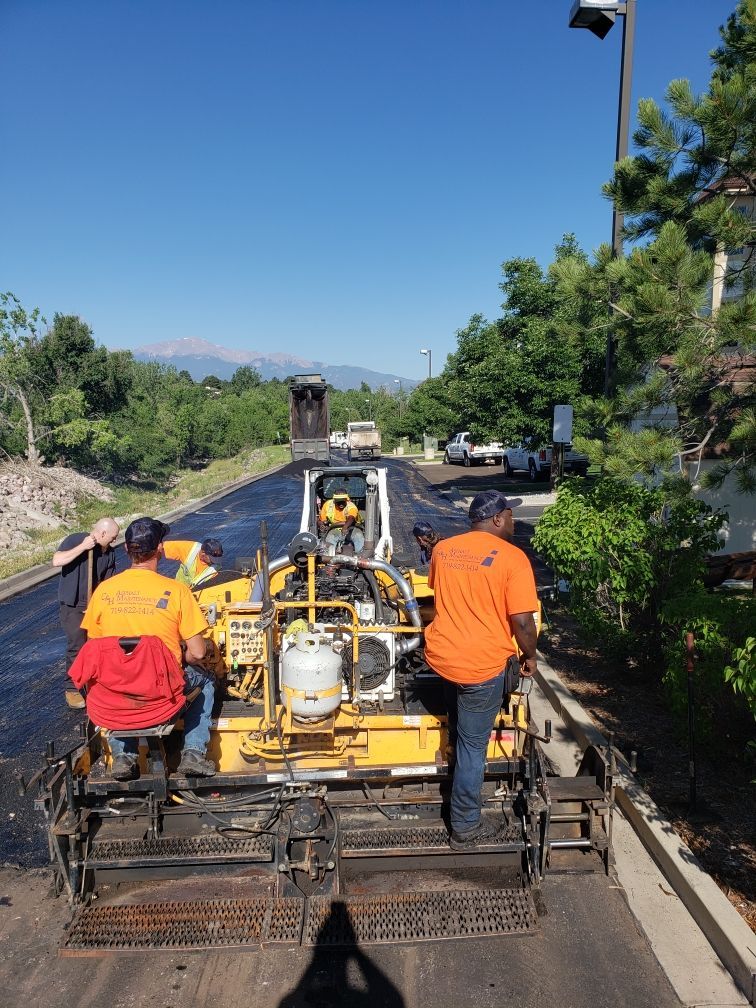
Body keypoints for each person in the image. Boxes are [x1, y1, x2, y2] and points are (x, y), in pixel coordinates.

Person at [424, 490, 539, 851]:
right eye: (511, 514)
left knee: (460, 729)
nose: (514, 521)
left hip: (444, 658)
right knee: (474, 747)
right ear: (497, 519)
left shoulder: (443, 550)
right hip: (480, 667)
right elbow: (522, 621)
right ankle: (465, 826)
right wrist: (530, 655)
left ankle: (457, 770)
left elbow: (437, 594)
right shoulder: (513, 559)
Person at [75, 517, 218, 781]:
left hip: (115, 692)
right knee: (207, 681)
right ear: (160, 549)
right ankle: (193, 753)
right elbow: (197, 653)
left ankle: (123, 757)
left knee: (114, 677)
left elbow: (94, 648)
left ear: (128, 550)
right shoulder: (176, 592)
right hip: (160, 693)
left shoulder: (103, 591)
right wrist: (182, 656)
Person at [52, 518, 120, 703]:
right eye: (113, 537)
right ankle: (72, 688)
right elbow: (57, 560)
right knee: (77, 645)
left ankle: (97, 683)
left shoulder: (110, 553)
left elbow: (108, 582)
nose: (115, 540)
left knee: (102, 645)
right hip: (73, 605)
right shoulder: (77, 540)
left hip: (95, 606)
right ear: (103, 533)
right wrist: (83, 547)